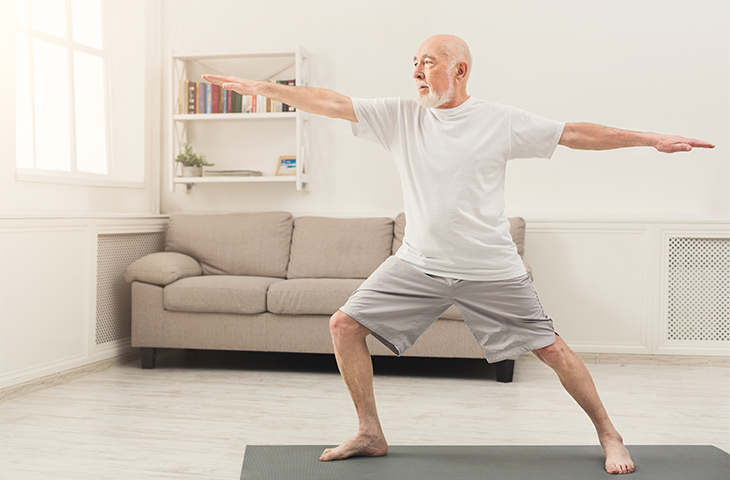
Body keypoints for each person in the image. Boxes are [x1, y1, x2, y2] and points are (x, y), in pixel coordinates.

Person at [204, 34, 714, 476]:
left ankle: (608, 433)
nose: (416, 72)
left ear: (459, 70)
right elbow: (334, 103)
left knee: (552, 350)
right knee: (344, 325)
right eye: (414, 63)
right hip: (417, 262)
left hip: (490, 267)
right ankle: (369, 433)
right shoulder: (400, 116)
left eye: (427, 62)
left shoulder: (499, 121)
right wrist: (270, 90)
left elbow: (575, 133)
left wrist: (651, 140)